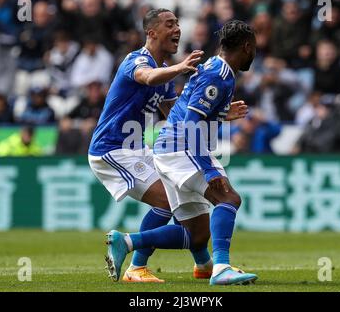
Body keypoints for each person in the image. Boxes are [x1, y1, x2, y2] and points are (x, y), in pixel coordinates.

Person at [105, 20, 258, 286]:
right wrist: (209, 169)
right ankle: (221, 268)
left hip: (171, 149)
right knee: (228, 198)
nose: (254, 54)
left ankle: (127, 242)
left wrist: (222, 113)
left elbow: (188, 110)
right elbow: (190, 123)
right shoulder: (219, 75)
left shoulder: (216, 68)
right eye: (253, 49)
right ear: (246, 47)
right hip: (181, 148)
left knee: (197, 234)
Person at [88, 8, 206, 283]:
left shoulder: (165, 72)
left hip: (136, 147)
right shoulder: (136, 61)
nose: (177, 28)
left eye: (178, 23)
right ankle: (135, 266)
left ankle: (204, 263)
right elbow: (147, 77)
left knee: (182, 193)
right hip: (112, 149)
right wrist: (181, 68)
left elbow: (175, 115)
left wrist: (218, 113)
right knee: (167, 200)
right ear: (151, 33)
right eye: (169, 24)